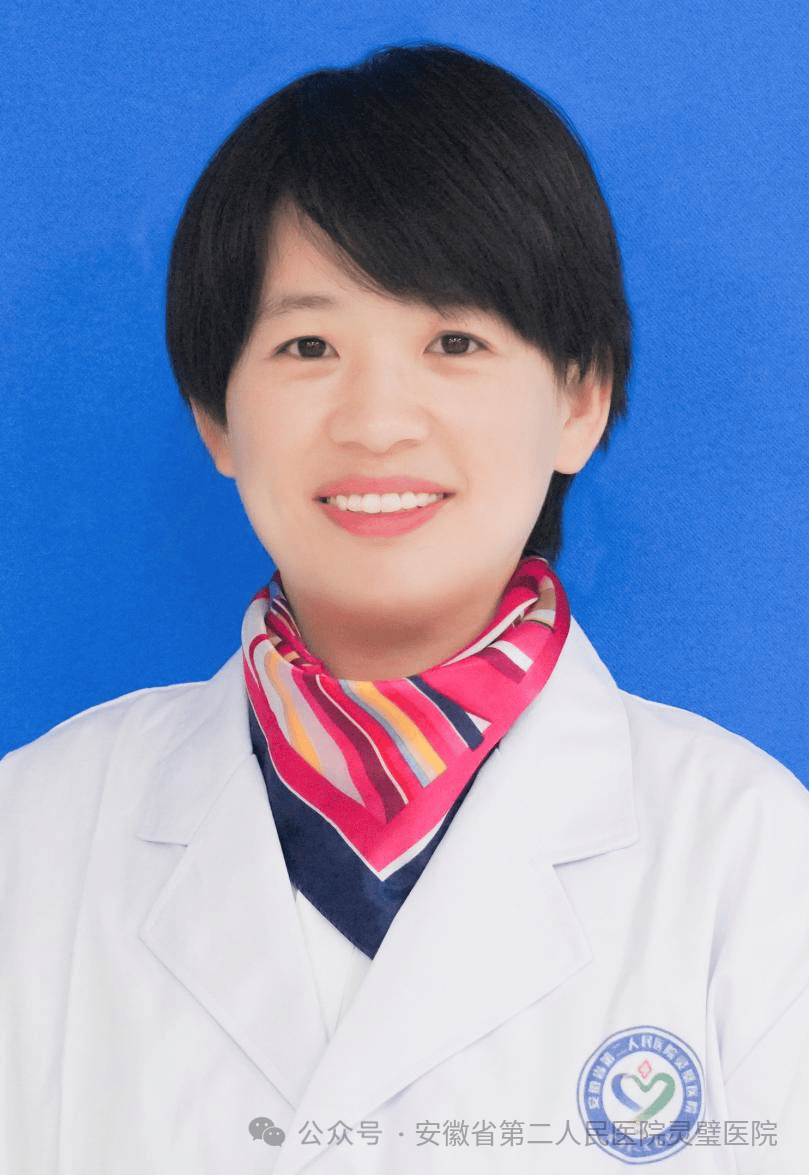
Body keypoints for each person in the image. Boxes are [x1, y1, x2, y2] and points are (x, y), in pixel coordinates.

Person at [1, 42, 807, 1175]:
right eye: (309, 344)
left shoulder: (750, 857)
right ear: (216, 416)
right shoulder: (36, 831)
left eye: (453, 341)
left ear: (579, 399)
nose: (378, 421)